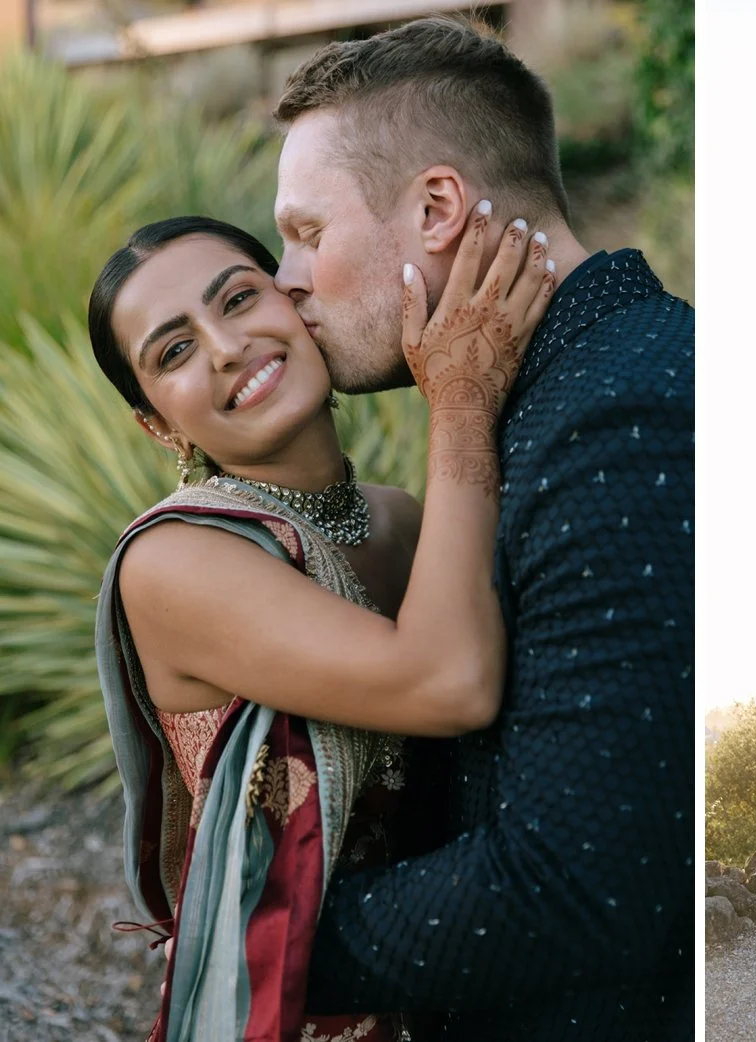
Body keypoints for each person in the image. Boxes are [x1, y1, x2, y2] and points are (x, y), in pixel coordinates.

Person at [270, 16, 695, 1040]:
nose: (287, 279)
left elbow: (581, 885)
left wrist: (257, 938)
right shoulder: (541, 392)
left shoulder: (625, 415)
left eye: (308, 233)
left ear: (434, 206)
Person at [92, 210, 553, 1039]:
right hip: (301, 1002)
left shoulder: (405, 520)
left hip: (474, 969)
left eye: (237, 299)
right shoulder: (173, 561)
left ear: (296, 303)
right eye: (175, 351)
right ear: (157, 424)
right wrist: (460, 399)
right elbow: (448, 682)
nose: (226, 346)